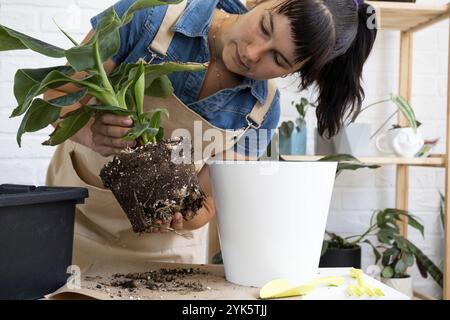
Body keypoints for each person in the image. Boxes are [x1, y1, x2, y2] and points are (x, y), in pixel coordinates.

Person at [44, 0, 377, 268]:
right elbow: (54, 98)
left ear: (295, 71)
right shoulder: (147, 16)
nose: (252, 53)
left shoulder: (262, 110)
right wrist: (90, 132)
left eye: (278, 59)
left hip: (163, 253)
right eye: (263, 27)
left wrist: (185, 216)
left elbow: (209, 201)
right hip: (76, 224)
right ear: (259, 2)